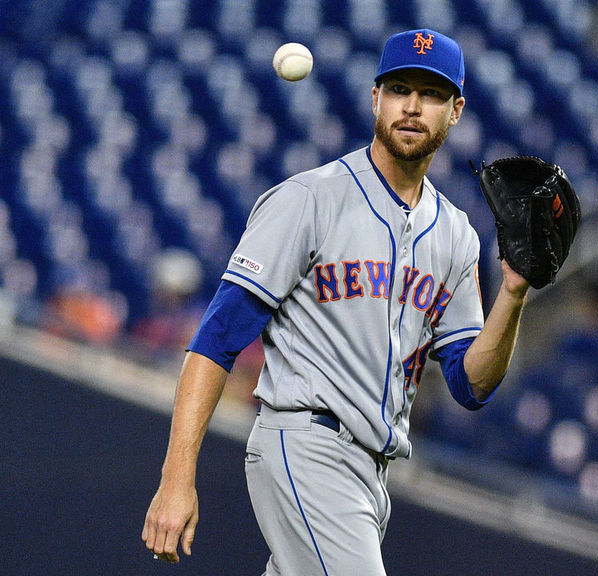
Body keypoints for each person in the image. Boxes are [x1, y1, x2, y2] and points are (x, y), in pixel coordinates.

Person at [142, 29, 531, 575]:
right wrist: (176, 477)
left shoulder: (457, 237)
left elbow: (472, 384)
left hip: (375, 477)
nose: (412, 106)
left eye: (432, 93)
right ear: (376, 98)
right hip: (305, 446)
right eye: (399, 88)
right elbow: (216, 340)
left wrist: (513, 294)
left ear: (456, 110)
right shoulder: (309, 200)